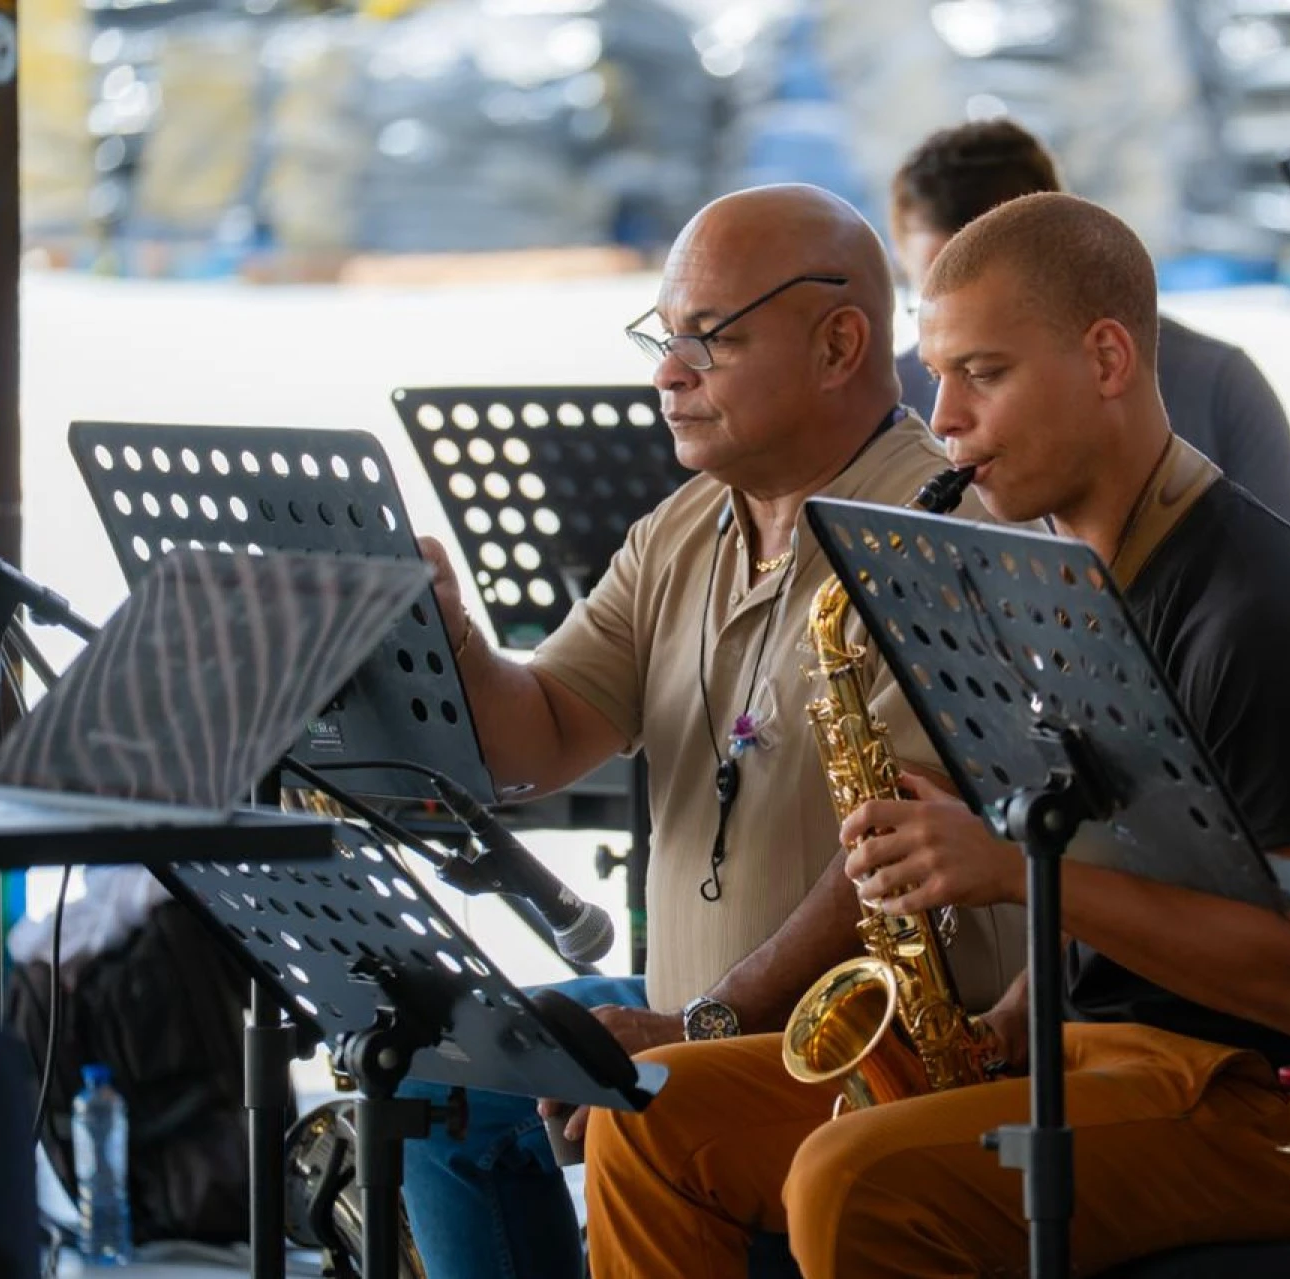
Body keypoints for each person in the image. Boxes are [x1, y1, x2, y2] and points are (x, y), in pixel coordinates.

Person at [583, 192, 1290, 1278]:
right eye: (936, 375)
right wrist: (1000, 1023)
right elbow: (1127, 889)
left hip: (1276, 1115)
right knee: (646, 1115)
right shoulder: (1064, 582)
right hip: (1089, 1060)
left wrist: (1014, 867)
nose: (947, 418)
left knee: (851, 1173)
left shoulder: (1265, 622)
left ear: (1107, 358)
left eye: (984, 373)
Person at [404, 184, 1024, 1279]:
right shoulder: (686, 522)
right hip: (693, 1015)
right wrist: (449, 630)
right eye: (664, 336)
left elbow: (897, 854)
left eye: (711, 340)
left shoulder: (939, 529)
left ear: (840, 344)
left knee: (622, 1097)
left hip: (856, 1052)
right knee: (431, 1060)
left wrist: (696, 1024)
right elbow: (535, 738)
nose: (666, 373)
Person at [888, 118, 1290, 541]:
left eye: (984, 370)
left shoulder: (1218, 381)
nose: (943, 421)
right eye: (930, 298)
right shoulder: (895, 403)